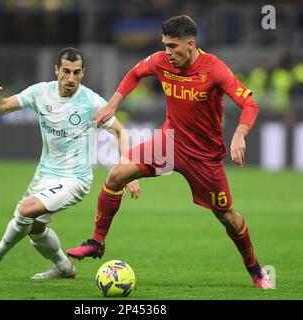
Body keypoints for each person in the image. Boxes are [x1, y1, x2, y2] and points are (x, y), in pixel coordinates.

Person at [67, 16, 272, 289]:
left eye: (173, 46)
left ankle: (255, 269)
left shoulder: (214, 69)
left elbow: (250, 104)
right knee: (117, 174)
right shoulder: (162, 61)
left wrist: (239, 134)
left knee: (228, 218)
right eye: (165, 45)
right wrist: (114, 103)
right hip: (169, 143)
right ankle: (96, 242)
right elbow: (135, 73)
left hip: (203, 157)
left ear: (190, 44)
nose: (168, 52)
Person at [0, 47, 139, 280]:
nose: (71, 78)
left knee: (26, 210)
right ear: (56, 70)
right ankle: (64, 268)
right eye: (66, 71)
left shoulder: (91, 102)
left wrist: (129, 172)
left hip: (75, 179)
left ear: (83, 73)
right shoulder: (40, 93)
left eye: (77, 73)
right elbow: (2, 107)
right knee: (36, 230)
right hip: (44, 174)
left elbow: (120, 131)